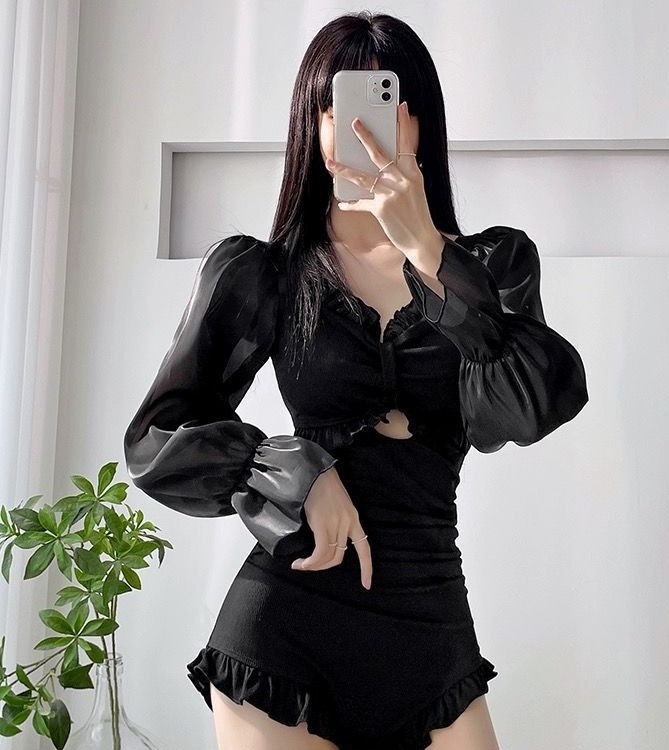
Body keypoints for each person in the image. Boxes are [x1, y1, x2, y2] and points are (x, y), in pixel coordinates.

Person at [123, 11, 589, 750]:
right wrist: (297, 470)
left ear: (420, 122)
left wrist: (428, 248)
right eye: (337, 104)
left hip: (430, 616)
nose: (360, 125)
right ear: (312, 124)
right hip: (285, 621)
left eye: (387, 100)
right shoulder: (264, 273)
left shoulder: (493, 266)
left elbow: (525, 411)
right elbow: (155, 438)